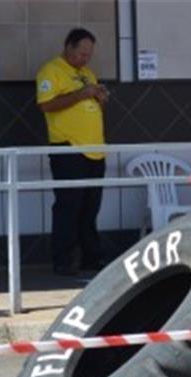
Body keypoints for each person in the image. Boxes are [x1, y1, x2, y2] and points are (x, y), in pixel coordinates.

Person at [36, 28, 109, 276]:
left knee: (90, 207)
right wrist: (82, 94)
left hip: (95, 149)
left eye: (88, 55)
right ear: (68, 47)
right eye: (81, 54)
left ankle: (91, 257)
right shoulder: (51, 71)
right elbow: (46, 104)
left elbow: (90, 99)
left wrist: (99, 96)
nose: (85, 59)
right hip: (68, 148)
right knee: (69, 206)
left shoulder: (87, 74)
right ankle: (63, 260)